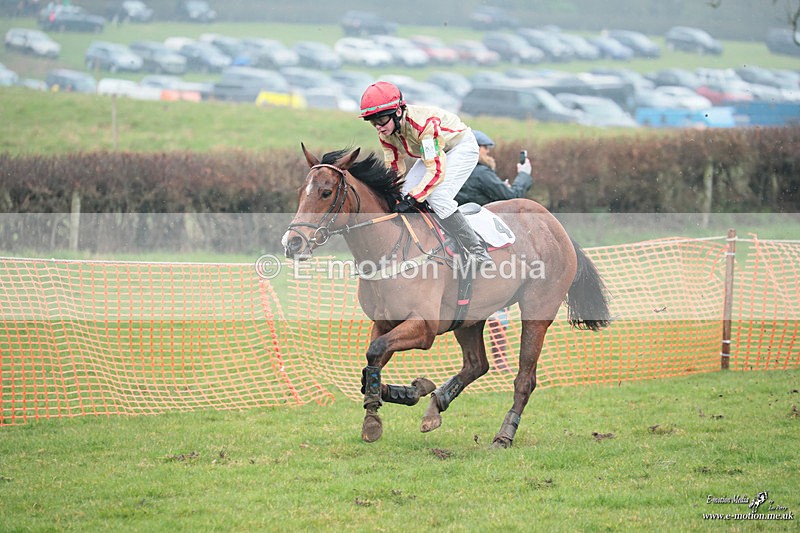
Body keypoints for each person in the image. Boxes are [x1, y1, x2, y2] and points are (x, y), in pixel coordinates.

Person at [358, 81, 493, 267]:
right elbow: (394, 168)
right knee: (403, 193)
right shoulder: (385, 134)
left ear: (398, 112)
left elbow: (436, 171)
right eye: (373, 122)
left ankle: (477, 250)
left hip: (460, 148)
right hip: (431, 152)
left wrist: (413, 199)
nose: (378, 127)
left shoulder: (423, 125)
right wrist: (395, 195)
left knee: (437, 195)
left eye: (381, 120)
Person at [455, 130, 533, 206]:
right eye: (485, 147)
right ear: (475, 147)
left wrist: (501, 187)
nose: (488, 151)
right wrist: (524, 174)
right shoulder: (481, 173)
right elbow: (512, 198)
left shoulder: (452, 170)